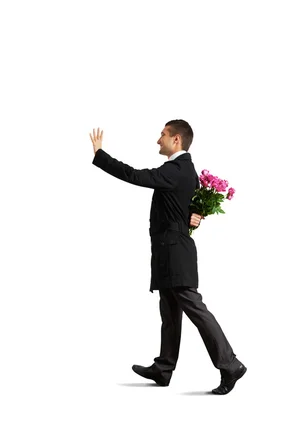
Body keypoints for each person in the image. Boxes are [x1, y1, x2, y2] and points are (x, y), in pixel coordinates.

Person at [89, 120, 246, 395]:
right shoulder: (188, 171)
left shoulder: (175, 169)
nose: (157, 140)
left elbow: (135, 176)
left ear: (176, 140)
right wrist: (194, 218)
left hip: (174, 251)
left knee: (193, 306)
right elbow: (188, 210)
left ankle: (229, 363)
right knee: (170, 311)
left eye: (162, 134)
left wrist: (101, 155)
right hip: (171, 248)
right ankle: (164, 368)